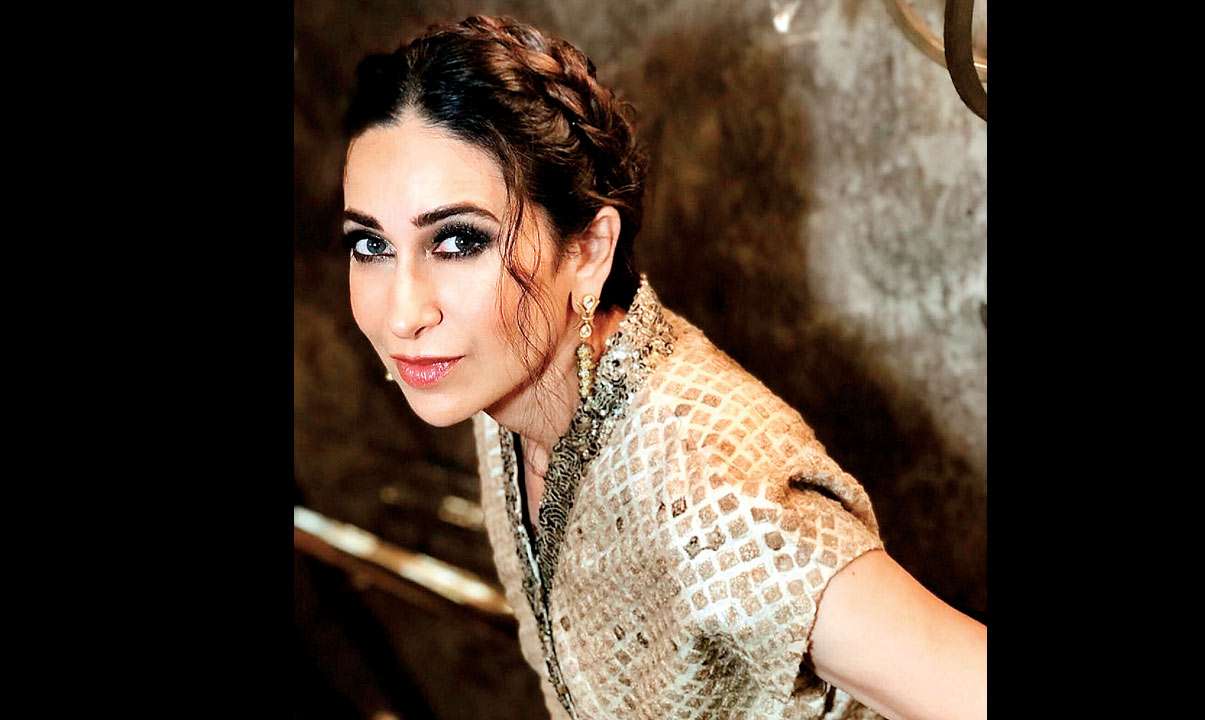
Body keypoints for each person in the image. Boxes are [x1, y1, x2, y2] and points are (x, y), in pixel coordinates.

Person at [340, 14, 985, 720]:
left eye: (459, 241)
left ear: (588, 250)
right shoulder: (503, 385)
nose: (402, 314)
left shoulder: (717, 496)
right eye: (371, 246)